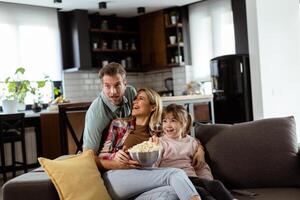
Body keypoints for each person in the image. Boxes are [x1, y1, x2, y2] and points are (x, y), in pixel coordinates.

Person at [99, 88, 201, 200]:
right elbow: (101, 156)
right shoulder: (119, 124)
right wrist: (115, 157)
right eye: (135, 99)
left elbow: (183, 138)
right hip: (117, 178)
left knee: (173, 192)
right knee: (175, 174)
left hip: (145, 180)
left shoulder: (160, 131)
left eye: (141, 98)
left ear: (153, 107)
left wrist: (200, 150)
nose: (134, 102)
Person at [152, 104, 234, 200]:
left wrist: (206, 181)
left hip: (192, 178)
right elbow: (154, 167)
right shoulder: (160, 143)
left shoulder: (192, 142)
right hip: (176, 181)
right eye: (164, 121)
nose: (168, 125)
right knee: (202, 192)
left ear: (184, 123)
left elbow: (201, 166)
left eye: (173, 121)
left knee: (216, 184)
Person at [83, 62, 137, 153]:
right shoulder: (96, 112)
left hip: (128, 149)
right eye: (107, 86)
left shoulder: (131, 93)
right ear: (102, 87)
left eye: (117, 85)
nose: (113, 92)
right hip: (105, 156)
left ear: (125, 84)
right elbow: (88, 155)